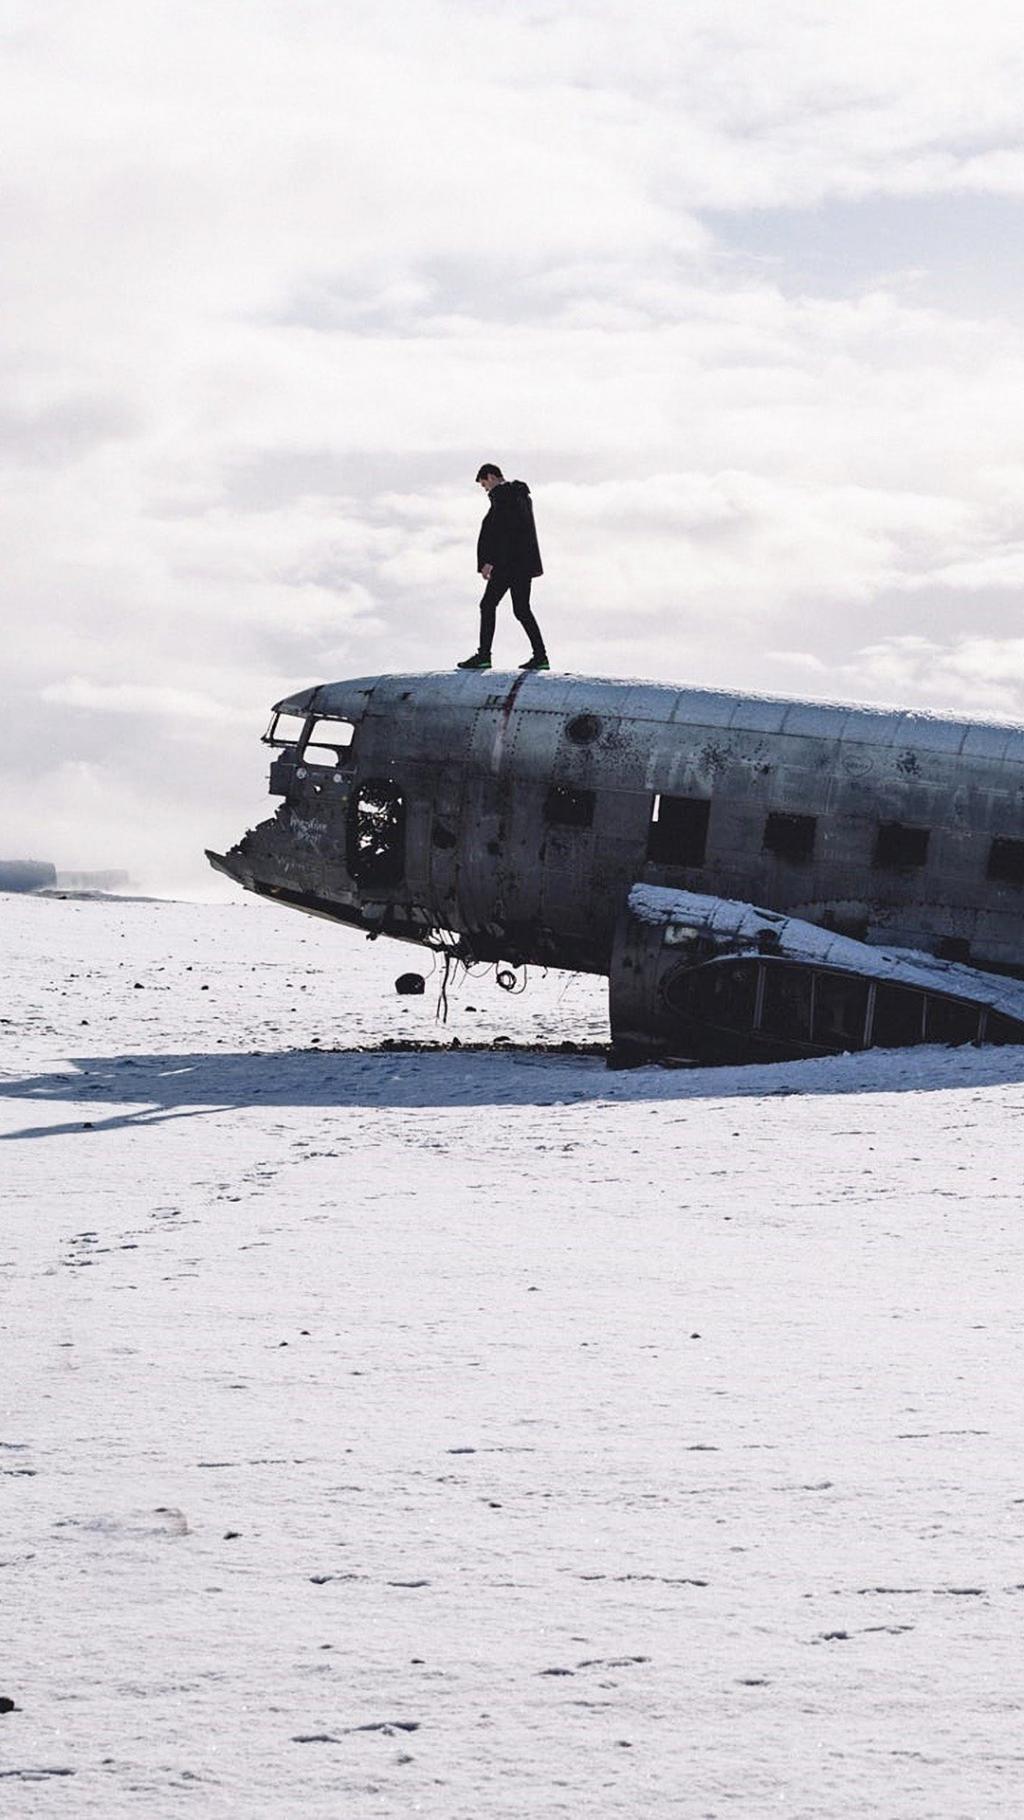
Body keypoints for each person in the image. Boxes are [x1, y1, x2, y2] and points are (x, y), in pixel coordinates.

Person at [457, 464, 549, 671]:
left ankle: (483, 656)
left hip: (508, 564)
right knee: (522, 609)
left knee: (487, 605)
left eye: (484, 484)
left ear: (490, 476)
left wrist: (491, 560)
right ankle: (541, 656)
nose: (486, 490)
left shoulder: (503, 495)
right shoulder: (520, 495)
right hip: (523, 564)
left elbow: (503, 531)